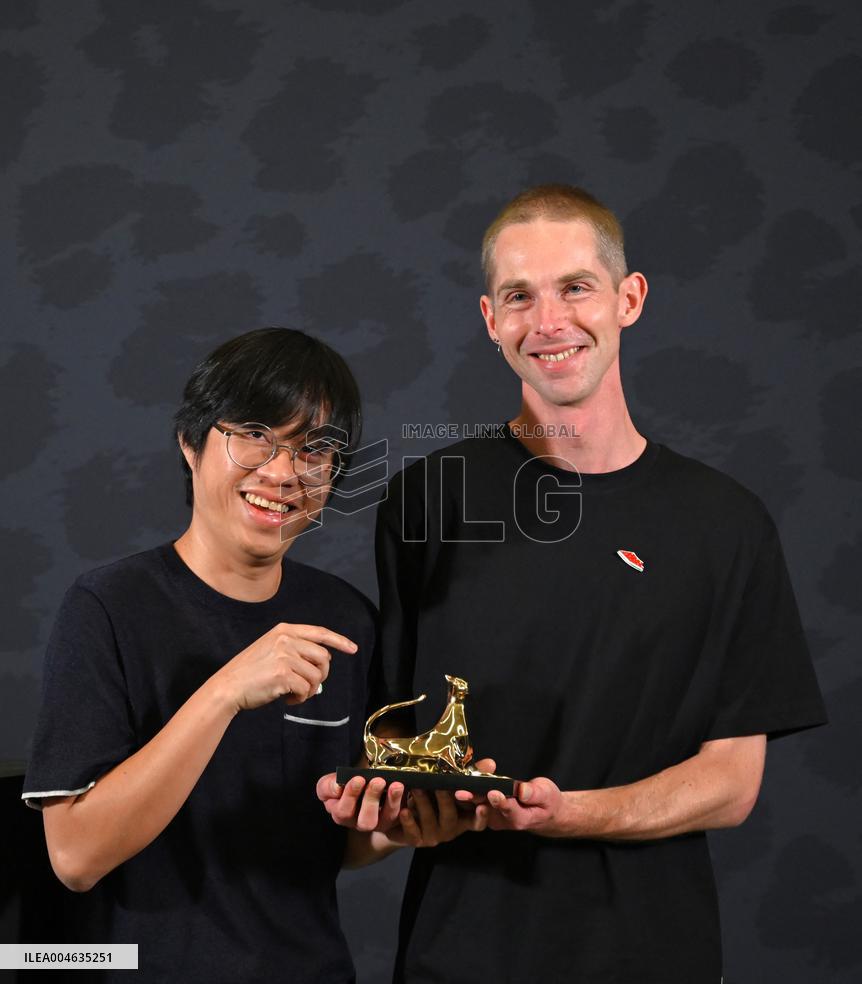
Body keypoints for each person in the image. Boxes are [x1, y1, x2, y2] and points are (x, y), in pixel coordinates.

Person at [321, 186, 828, 983]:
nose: (549, 322)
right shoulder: (427, 502)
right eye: (520, 296)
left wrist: (565, 815)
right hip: (457, 957)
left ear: (629, 299)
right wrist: (389, 818)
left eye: (576, 288)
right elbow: (394, 761)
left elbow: (731, 783)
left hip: (654, 957)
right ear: (492, 321)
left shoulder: (725, 523)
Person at [23, 328, 418, 982]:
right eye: (255, 435)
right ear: (191, 441)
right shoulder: (108, 606)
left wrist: (396, 826)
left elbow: (339, 841)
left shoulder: (346, 619)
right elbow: (75, 855)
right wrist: (225, 691)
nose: (283, 472)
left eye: (313, 450)